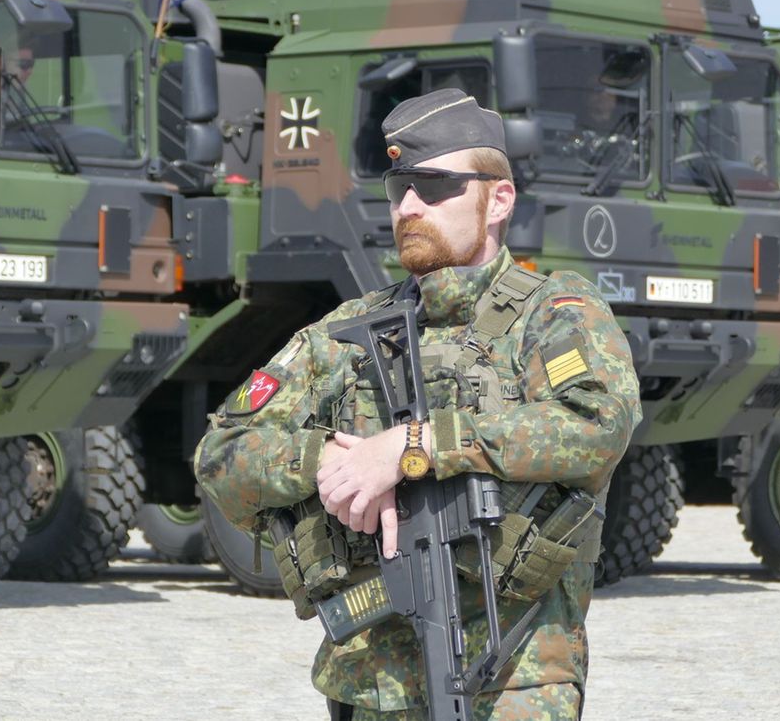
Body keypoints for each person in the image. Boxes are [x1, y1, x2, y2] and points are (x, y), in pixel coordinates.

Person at [195, 87, 641, 720]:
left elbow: (596, 425)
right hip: (368, 692)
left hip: (511, 684)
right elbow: (221, 454)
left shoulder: (555, 314)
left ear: (498, 199)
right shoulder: (349, 329)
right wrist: (333, 465)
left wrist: (414, 447)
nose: (408, 206)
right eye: (398, 187)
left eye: (434, 187)